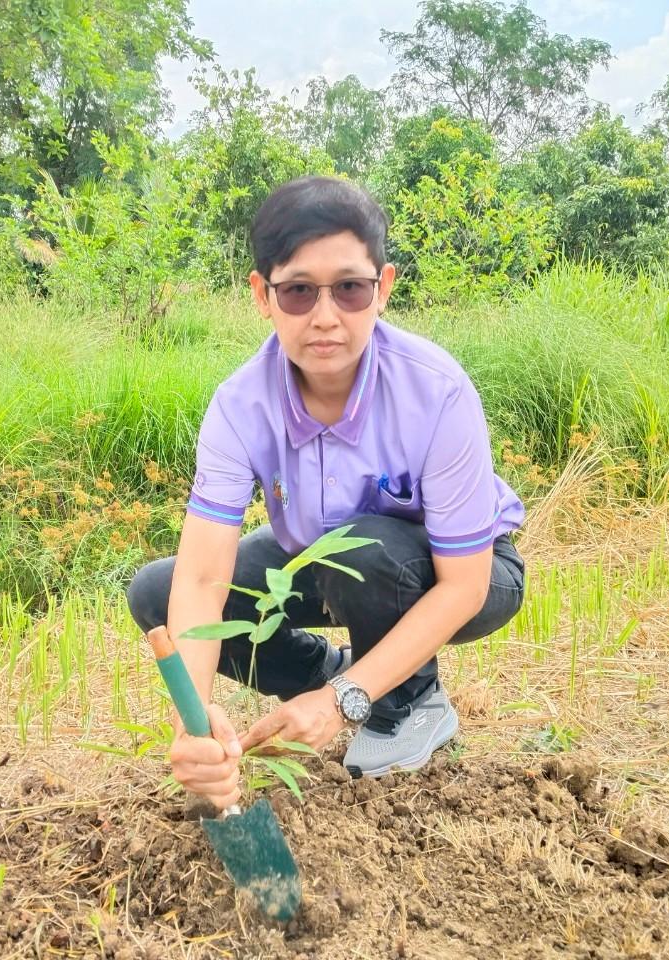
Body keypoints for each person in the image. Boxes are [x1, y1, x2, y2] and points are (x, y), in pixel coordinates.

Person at [127, 176, 525, 810]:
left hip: (471, 572)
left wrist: (345, 707)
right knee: (157, 591)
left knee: (363, 550)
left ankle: (407, 702)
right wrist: (194, 722)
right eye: (298, 291)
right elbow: (203, 579)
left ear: (383, 287)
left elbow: (465, 585)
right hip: (328, 560)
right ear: (262, 295)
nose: (325, 316)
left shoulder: (436, 391)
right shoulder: (239, 405)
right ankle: (326, 675)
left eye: (349, 288)